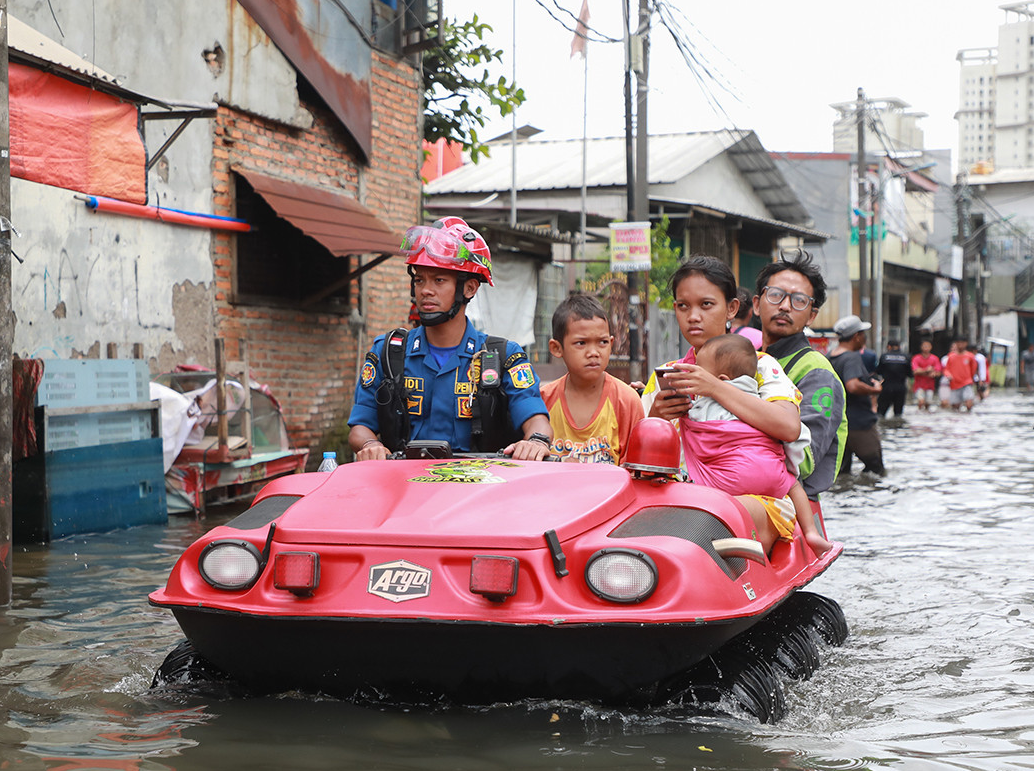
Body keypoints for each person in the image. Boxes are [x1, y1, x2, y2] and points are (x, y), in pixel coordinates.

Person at [643, 255, 814, 554]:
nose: (693, 316)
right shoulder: (665, 376)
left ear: (731, 309)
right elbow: (640, 462)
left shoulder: (763, 367)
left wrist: (716, 388)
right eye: (683, 306)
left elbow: (788, 426)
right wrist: (657, 416)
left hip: (758, 502)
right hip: (685, 498)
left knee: (716, 514)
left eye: (706, 305)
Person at [348, 216, 552, 460]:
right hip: (405, 488)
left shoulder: (502, 357)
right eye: (419, 279)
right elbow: (359, 427)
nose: (425, 290)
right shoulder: (389, 353)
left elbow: (536, 420)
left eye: (439, 280)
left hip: (479, 489)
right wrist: (372, 444)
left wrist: (536, 442)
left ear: (470, 288)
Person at [682, 333, 832, 556]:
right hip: (774, 476)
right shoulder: (759, 398)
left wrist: (681, 411)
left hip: (730, 483)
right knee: (794, 484)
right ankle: (811, 532)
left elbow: (691, 428)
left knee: (697, 500)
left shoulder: (705, 404)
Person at [751, 250, 848, 499]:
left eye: (799, 301)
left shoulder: (817, 372)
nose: (785, 306)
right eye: (775, 295)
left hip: (792, 506)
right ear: (756, 304)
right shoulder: (744, 360)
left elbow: (804, 460)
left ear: (811, 316)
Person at [540, 294, 644, 464]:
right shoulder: (544, 400)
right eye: (581, 343)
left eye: (602, 342)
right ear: (557, 348)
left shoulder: (626, 401)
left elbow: (635, 471)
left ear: (611, 344)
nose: (594, 352)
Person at [828, 314, 885, 476]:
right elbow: (852, 385)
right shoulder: (852, 358)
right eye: (863, 334)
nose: (864, 338)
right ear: (856, 337)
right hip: (859, 423)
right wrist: (875, 390)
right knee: (876, 471)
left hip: (837, 425)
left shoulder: (830, 357)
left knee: (841, 473)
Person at [875, 339, 912, 417]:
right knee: (898, 414)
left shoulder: (884, 356)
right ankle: (897, 427)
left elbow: (878, 371)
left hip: (887, 387)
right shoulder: (906, 357)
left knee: (881, 413)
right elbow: (910, 374)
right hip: (900, 387)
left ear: (889, 347)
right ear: (899, 347)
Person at [943, 336, 979, 411]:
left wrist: (971, 379)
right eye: (958, 343)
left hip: (967, 382)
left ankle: (968, 420)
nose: (960, 345)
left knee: (969, 404)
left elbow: (973, 369)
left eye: (962, 343)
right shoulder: (951, 356)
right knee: (955, 407)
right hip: (954, 383)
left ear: (966, 344)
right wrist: (948, 375)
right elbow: (946, 369)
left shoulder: (970, 356)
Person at [910, 339, 942, 411]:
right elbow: (914, 371)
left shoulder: (934, 358)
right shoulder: (916, 358)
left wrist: (932, 373)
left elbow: (938, 372)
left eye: (928, 346)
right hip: (919, 385)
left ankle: (926, 415)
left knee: (928, 403)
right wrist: (927, 370)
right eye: (924, 346)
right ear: (921, 347)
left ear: (931, 347)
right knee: (921, 402)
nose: (926, 348)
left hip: (930, 385)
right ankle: (919, 413)